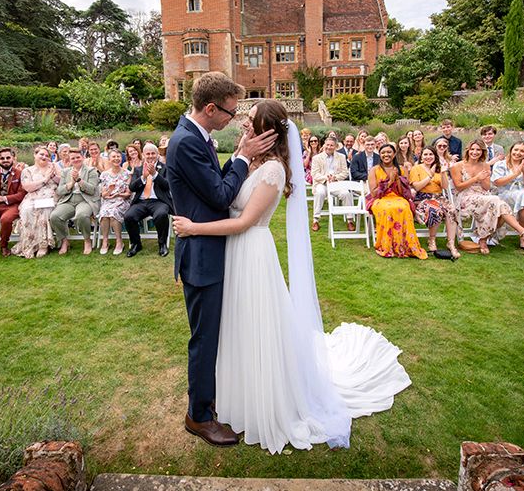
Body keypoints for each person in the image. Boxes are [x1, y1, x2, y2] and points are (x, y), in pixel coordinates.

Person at [171, 100, 411, 454]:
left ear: (268, 131)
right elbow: (223, 193)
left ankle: (265, 399)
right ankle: (235, 393)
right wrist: (240, 154)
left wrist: (194, 227)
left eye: (250, 121)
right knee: (234, 327)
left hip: (251, 252)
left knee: (257, 327)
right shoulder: (248, 159)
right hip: (231, 254)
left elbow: (243, 221)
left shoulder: (272, 172)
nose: (243, 125)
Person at [165, 71, 276, 447]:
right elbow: (219, 196)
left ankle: (211, 401)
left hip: (213, 251)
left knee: (213, 335)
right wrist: (244, 156)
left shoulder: (200, 137)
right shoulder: (186, 143)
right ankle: (199, 416)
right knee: (205, 339)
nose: (232, 120)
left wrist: (239, 157)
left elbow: (219, 186)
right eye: (229, 113)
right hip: (202, 258)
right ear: (210, 108)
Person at [450, 139, 524, 254]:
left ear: (482, 152)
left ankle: (483, 239)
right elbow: (459, 187)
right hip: (465, 197)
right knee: (497, 201)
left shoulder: (485, 166)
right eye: (472, 149)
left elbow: (487, 188)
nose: (475, 152)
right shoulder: (457, 166)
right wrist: (476, 178)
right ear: (468, 150)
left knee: (499, 205)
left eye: (478, 150)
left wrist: (483, 179)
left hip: (484, 196)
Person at [368, 143, 427, 259]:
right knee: (387, 209)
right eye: (383, 152)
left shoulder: (402, 169)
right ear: (379, 155)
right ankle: (387, 245)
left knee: (404, 208)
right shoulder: (374, 170)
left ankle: (404, 245)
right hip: (380, 199)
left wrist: (397, 179)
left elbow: (404, 192)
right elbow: (374, 193)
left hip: (398, 198)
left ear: (394, 154)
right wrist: (390, 181)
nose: (386, 155)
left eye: (389, 152)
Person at [409, 146, 461, 258]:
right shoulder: (416, 168)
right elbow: (417, 187)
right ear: (421, 157)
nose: (428, 157)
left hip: (438, 197)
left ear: (435, 156)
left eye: (431, 154)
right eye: (426, 154)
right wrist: (430, 175)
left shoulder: (438, 168)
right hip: (422, 198)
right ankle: (432, 239)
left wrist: (443, 173)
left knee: (451, 209)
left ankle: (450, 242)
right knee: (434, 209)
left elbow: (445, 186)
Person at [124, 143, 173, 257]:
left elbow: (167, 186)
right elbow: (132, 188)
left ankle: (162, 244)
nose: (150, 156)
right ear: (143, 155)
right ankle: (136, 244)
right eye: (148, 154)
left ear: (157, 154)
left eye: (153, 153)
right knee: (129, 216)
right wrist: (143, 177)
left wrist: (155, 174)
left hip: (159, 201)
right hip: (141, 202)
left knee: (161, 215)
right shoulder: (138, 169)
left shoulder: (165, 168)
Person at [11, 145, 59, 259]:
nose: (44, 157)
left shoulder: (54, 167)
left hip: (50, 196)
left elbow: (61, 182)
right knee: (27, 210)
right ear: (35, 155)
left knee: (45, 210)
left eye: (47, 155)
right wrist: (45, 179)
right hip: (33, 197)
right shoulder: (27, 170)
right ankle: (29, 244)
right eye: (41, 154)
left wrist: (53, 176)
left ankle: (43, 245)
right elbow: (28, 187)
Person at [50, 150, 99, 255]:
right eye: (73, 158)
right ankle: (64, 240)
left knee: (81, 215)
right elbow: (59, 191)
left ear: (82, 157)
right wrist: (71, 183)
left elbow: (92, 190)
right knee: (54, 216)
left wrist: (79, 180)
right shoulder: (65, 172)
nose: (76, 160)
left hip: (85, 200)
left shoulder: (91, 171)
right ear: (70, 160)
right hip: (69, 200)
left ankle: (87, 240)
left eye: (78, 157)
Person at [310, 136, 355, 232]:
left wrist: (335, 177)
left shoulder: (341, 157)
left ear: (335, 146)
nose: (329, 147)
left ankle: (350, 219)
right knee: (320, 192)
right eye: (327, 145)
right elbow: (314, 174)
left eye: (331, 145)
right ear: (324, 145)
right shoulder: (317, 158)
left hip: (336, 183)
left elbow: (345, 172)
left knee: (346, 193)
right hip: (322, 183)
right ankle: (315, 219)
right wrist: (326, 178)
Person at [97, 150, 132, 255]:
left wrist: (118, 195)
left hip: (122, 200)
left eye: (118, 156)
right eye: (113, 157)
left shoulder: (127, 173)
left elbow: (128, 194)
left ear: (121, 158)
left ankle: (119, 241)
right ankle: (105, 241)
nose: (116, 158)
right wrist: (110, 190)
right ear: (109, 159)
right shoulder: (104, 174)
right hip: (108, 200)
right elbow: (103, 195)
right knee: (104, 213)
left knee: (113, 213)